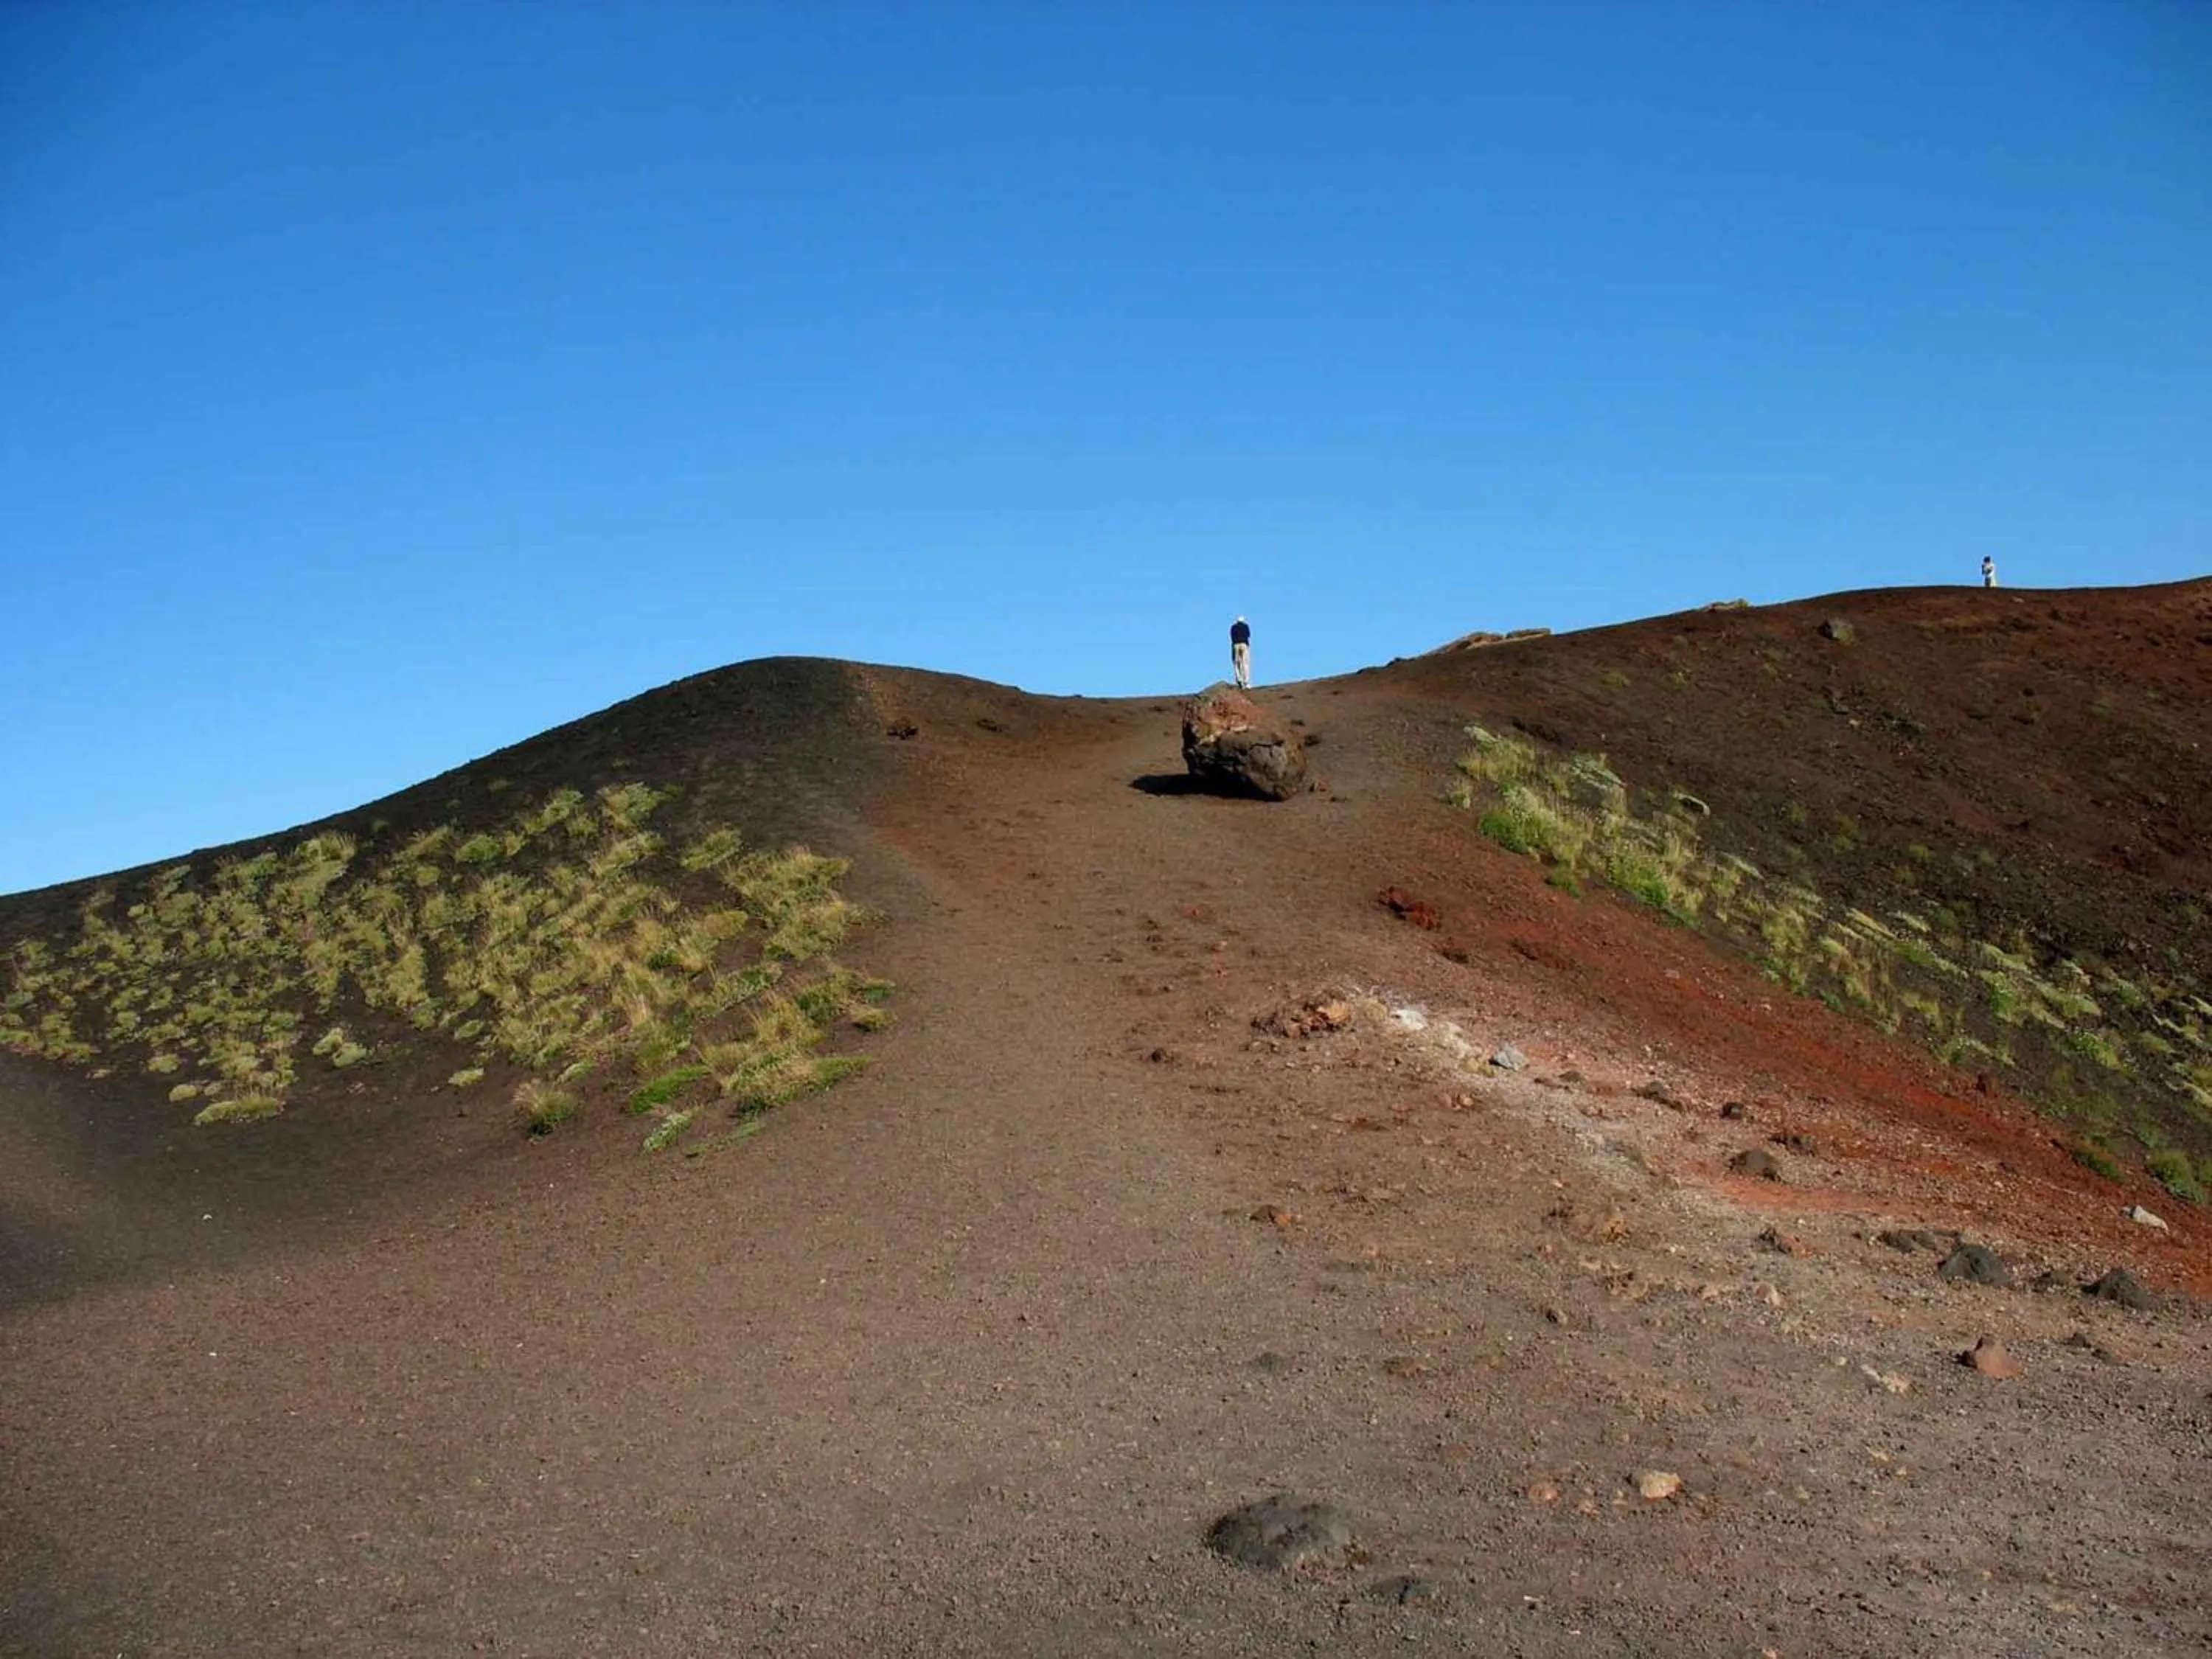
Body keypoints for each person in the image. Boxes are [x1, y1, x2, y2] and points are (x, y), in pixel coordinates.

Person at [1229, 615, 1253, 689]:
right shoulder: (1246, 626)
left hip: (1236, 645)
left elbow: (1231, 637)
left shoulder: (1233, 627)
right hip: (1244, 644)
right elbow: (1248, 635)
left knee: (1237, 663)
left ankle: (1239, 680)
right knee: (1245, 663)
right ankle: (1246, 682)